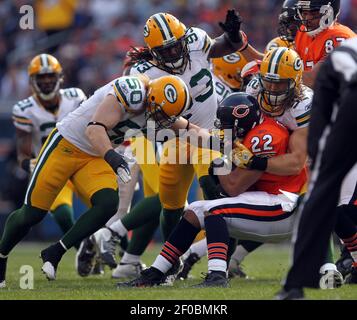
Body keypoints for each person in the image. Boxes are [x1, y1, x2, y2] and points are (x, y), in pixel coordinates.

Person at [0, 74, 194, 286]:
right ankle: (1, 256)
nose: (163, 121)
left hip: (94, 156)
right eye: (161, 115)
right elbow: (94, 129)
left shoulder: (161, 109)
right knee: (32, 214)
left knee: (108, 203)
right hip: (67, 145)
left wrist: (221, 140)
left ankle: (55, 251)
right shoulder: (131, 92)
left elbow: (190, 130)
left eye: (168, 117)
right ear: (151, 100)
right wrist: (113, 158)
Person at [117, 92, 307, 288]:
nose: (226, 132)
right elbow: (201, 135)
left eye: (229, 127)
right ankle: (156, 273)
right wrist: (171, 122)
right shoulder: (252, 129)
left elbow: (233, 187)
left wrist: (218, 164)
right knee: (194, 211)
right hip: (266, 200)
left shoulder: (263, 137)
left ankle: (217, 276)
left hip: (282, 206)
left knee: (216, 211)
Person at [128, 10, 248, 243]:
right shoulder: (143, 74)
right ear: (153, 53)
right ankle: (172, 260)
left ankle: (220, 263)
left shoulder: (196, 41)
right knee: (171, 206)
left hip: (211, 134)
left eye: (176, 45)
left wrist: (233, 36)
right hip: (175, 138)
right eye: (166, 50)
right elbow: (152, 115)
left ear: (185, 39)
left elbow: (225, 47)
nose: (174, 52)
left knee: (214, 189)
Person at [276, 36, 357, 300]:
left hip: (345, 98)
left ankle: (295, 285)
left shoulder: (341, 54)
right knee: (327, 195)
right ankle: (297, 283)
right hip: (346, 98)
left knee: (323, 192)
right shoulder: (338, 61)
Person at [12, 54, 86, 242]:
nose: (46, 81)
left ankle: (124, 255)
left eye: (50, 76)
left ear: (60, 77)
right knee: (62, 215)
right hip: (52, 167)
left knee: (106, 204)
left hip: (81, 163)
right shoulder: (24, 109)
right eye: (41, 77)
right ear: (32, 81)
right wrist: (32, 166)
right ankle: (84, 253)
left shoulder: (75, 97)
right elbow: (23, 155)